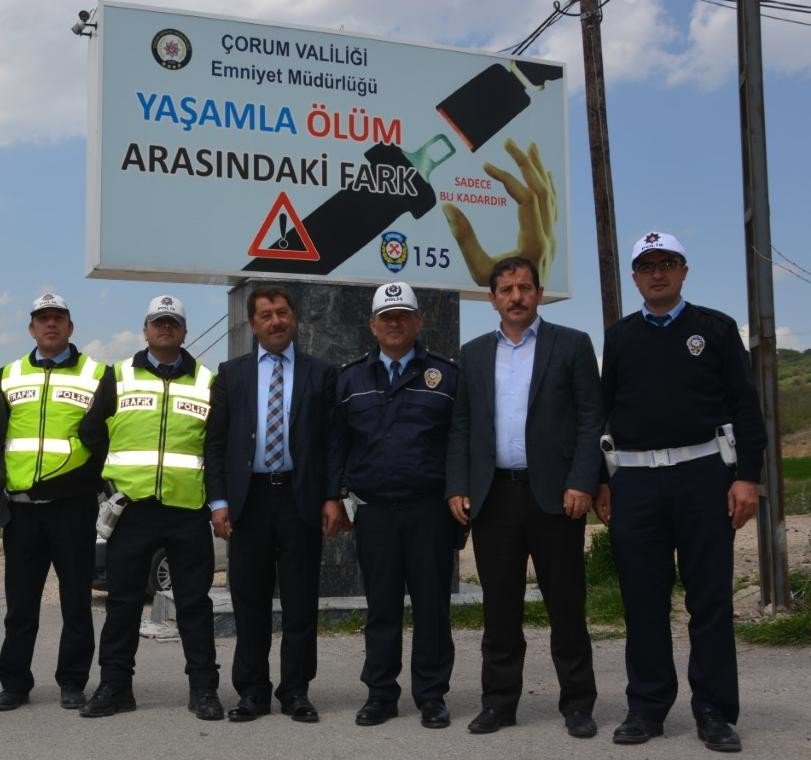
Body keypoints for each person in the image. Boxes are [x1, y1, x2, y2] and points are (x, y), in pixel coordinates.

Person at [596, 231, 767, 753]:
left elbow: (745, 407)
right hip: (637, 483)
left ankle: (714, 711)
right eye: (646, 266)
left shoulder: (713, 329)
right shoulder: (620, 337)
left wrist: (747, 477)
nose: (657, 273)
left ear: (684, 270)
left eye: (667, 263)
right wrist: (601, 479)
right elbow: (605, 412)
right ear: (634, 277)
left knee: (709, 599)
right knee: (643, 602)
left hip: (703, 478)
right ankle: (647, 708)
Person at [446, 257, 602, 738]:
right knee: (500, 608)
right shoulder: (471, 355)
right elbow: (462, 426)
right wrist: (458, 485)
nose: (516, 296)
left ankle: (577, 703)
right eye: (506, 289)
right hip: (494, 497)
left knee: (566, 604)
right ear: (492, 297)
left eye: (525, 287)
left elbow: (589, 419)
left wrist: (582, 481)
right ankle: (499, 702)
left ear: (539, 293)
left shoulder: (571, 346)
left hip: (556, 496)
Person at [78, 295, 223, 721]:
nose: (165, 328)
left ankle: (204, 690)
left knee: (194, 604)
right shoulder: (117, 375)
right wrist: (109, 487)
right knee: (122, 603)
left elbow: (215, 448)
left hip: (187, 509)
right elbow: (91, 433)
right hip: (133, 510)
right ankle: (115, 687)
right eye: (158, 322)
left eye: (173, 322)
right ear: (145, 329)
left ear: (183, 331)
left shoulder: (207, 382)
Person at [204, 285, 345, 724]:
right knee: (250, 601)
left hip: (299, 498)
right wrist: (219, 501)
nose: (275, 321)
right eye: (265, 314)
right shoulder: (232, 374)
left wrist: (332, 495)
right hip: (250, 501)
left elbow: (332, 442)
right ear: (253, 323)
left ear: (294, 318)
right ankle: (252, 692)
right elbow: (216, 443)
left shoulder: (320, 373)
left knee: (301, 602)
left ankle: (296, 691)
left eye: (282, 312)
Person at [332, 282, 458, 729]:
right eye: (386, 316)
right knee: (381, 608)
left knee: (431, 608)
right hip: (375, 512)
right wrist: (335, 496)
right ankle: (380, 694)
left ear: (418, 321)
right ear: (372, 324)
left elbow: (458, 442)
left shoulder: (445, 375)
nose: (394, 322)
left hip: (429, 510)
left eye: (403, 314)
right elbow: (337, 444)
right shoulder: (349, 379)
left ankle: (431, 696)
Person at [0, 293, 105, 711]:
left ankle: (72, 681)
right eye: (42, 319)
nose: (50, 325)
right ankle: (14, 683)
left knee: (77, 601)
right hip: (21, 509)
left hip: (73, 506)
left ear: (70, 327)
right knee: (20, 605)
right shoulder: (8, 375)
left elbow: (107, 435)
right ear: (31, 328)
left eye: (58, 318)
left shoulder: (97, 374)